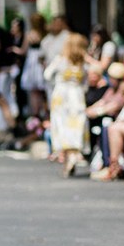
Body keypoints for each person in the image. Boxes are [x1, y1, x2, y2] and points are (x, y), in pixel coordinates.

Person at [44, 33, 89, 176]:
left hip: (61, 95)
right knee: (76, 126)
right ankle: (73, 155)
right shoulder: (83, 63)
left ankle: (68, 158)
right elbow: (86, 83)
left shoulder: (60, 60)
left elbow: (47, 74)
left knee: (61, 125)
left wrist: (57, 82)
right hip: (77, 95)